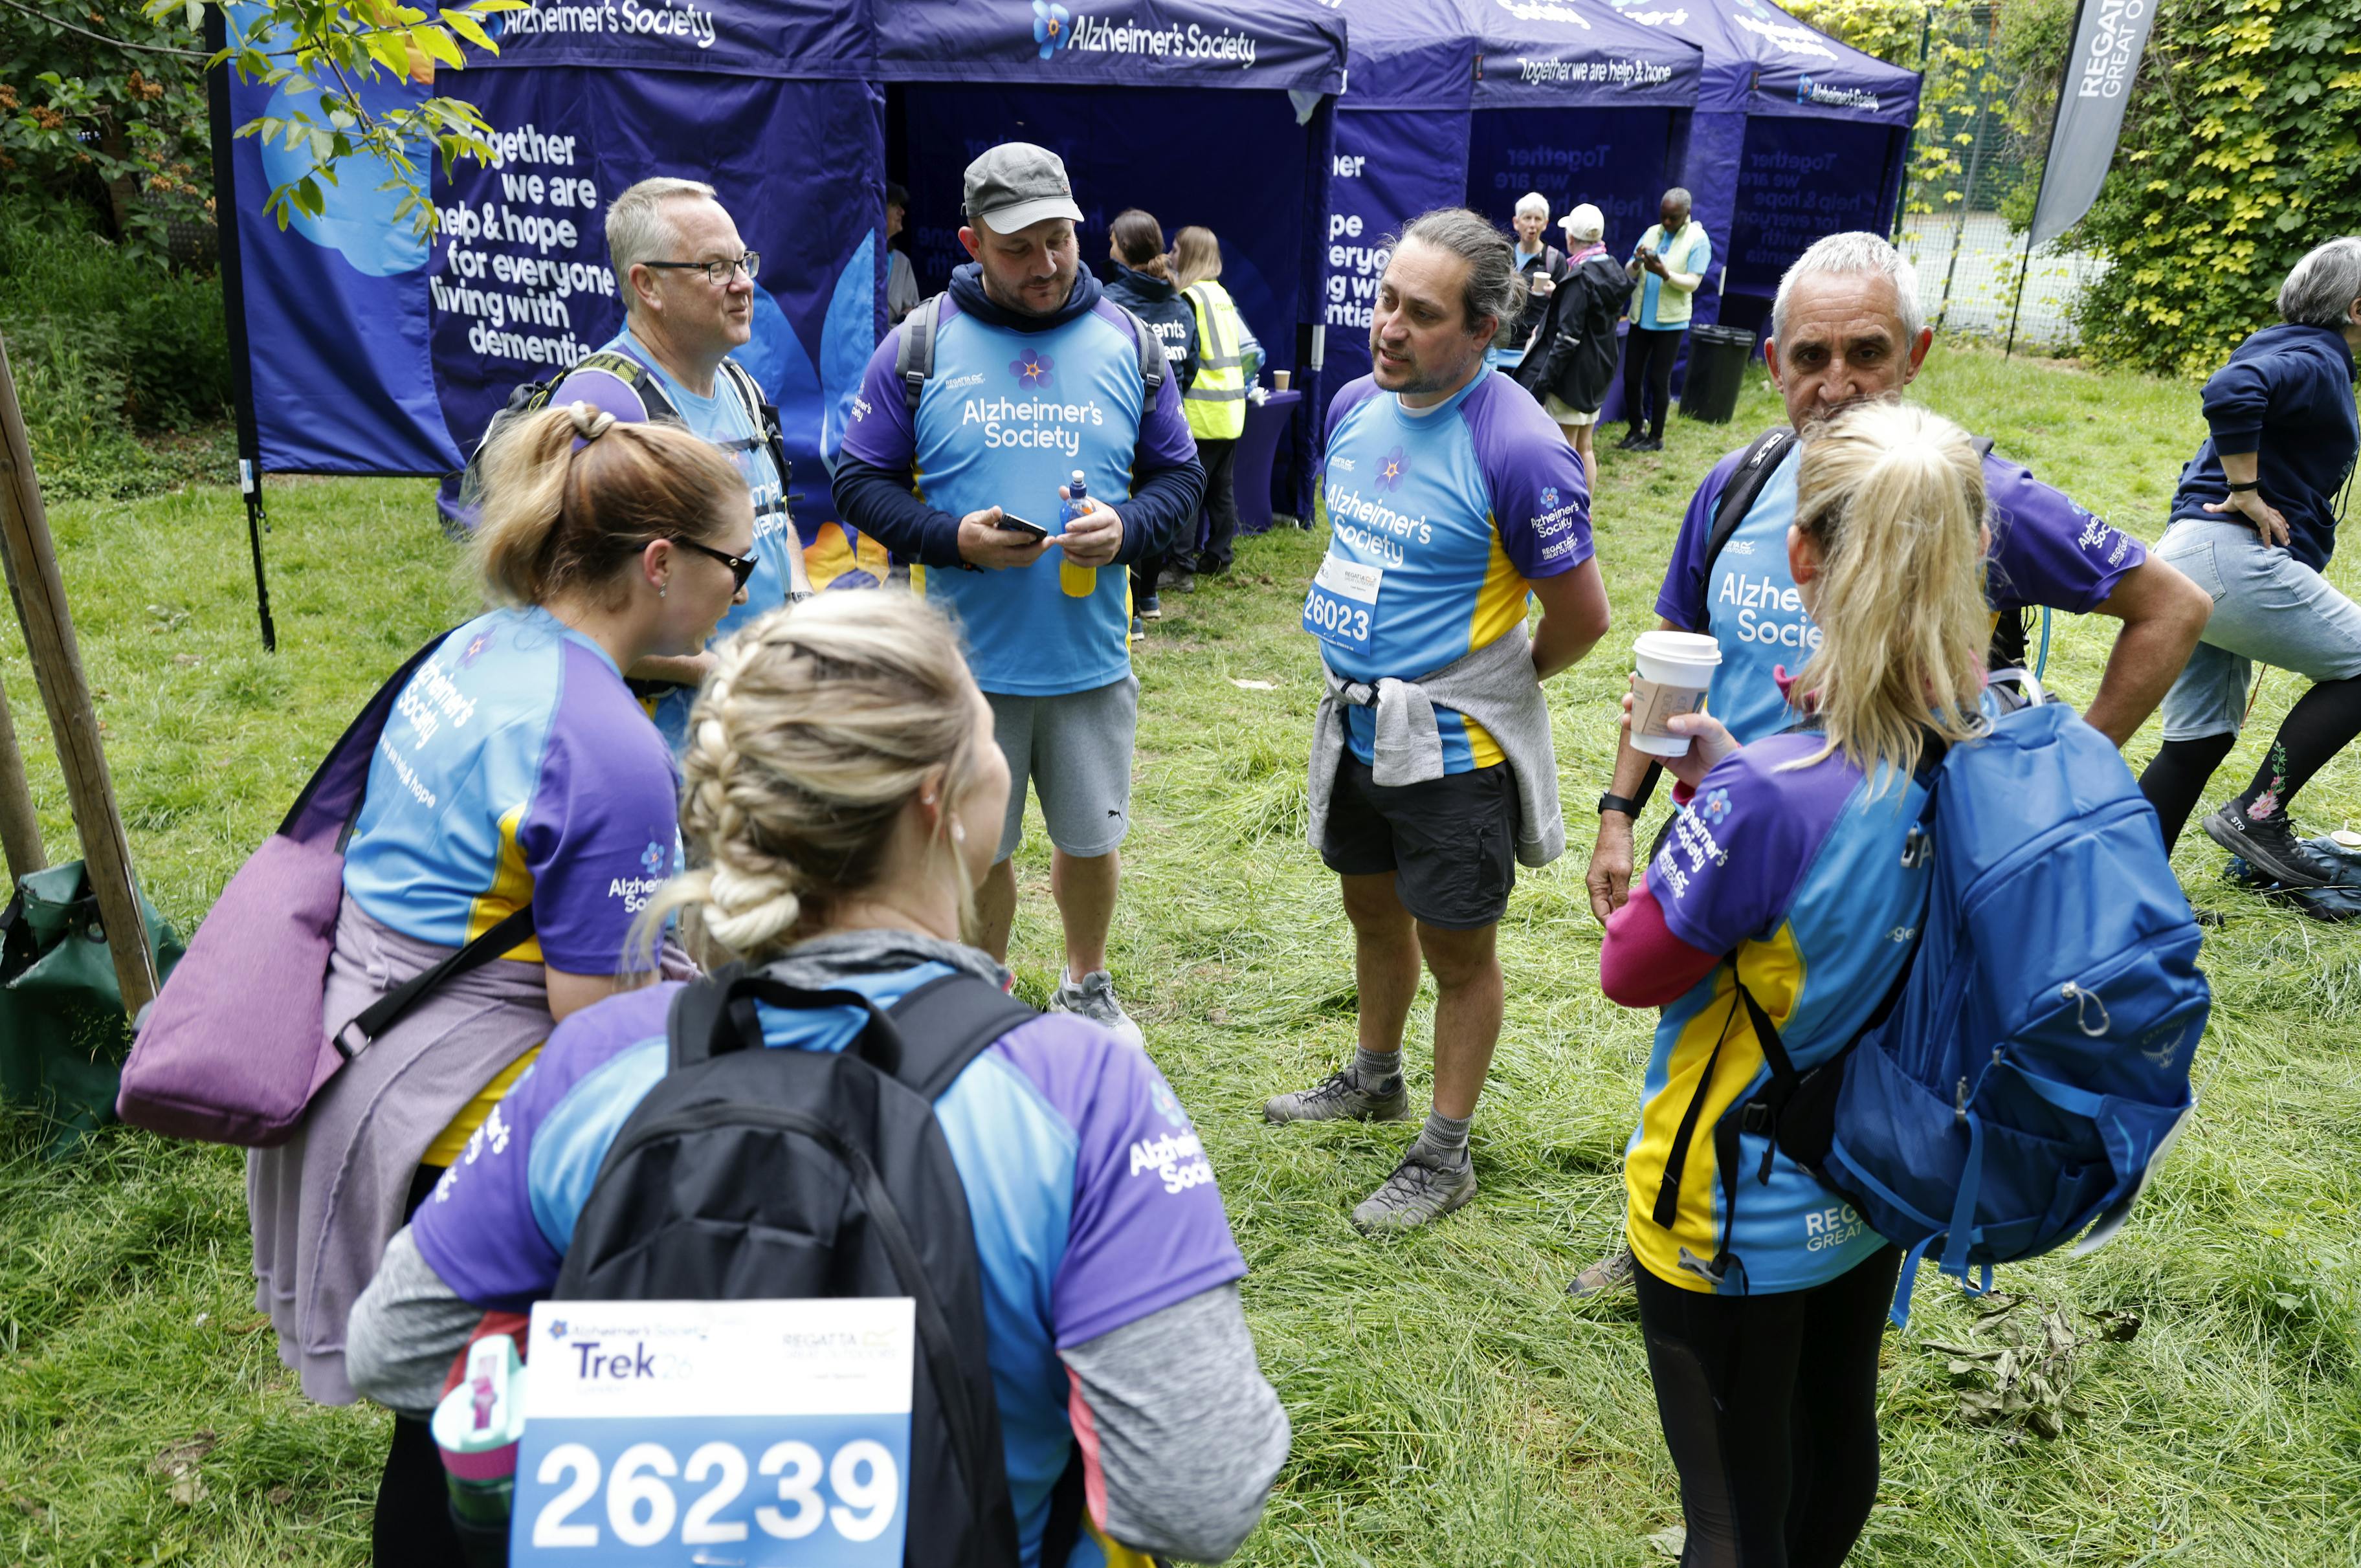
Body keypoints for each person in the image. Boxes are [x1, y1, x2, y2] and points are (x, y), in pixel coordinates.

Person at [344, 593, 1291, 1566]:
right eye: (988, 729)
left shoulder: (596, 1060)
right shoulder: (1084, 1095)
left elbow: (396, 1345)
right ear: (940, 796)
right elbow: (1198, 1495)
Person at [1572, 229, 2210, 1297]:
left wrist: (2040, 791)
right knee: (1709, 1052)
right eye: (1808, 357)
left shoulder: (1950, 490)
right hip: (1732, 835)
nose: (1836, 384)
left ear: (1914, 353)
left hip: (1882, 883)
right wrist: (1618, 808)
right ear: (1770, 363)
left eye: (1864, 352)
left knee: (1864, 1092)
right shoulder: (1734, 485)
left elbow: (2170, 605)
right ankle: (1695, 1224)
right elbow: (1672, 656)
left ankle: (1823, 1245)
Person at [249, 404, 753, 1565]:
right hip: (472, 1131)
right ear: (663, 563)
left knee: (435, 1429)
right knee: (494, 1455)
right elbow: (597, 1034)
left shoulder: (482, 645)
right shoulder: (614, 750)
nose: (745, 584)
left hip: (366, 1057)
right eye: (736, 562)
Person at [1599, 399, 1993, 1565]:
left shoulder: (1772, 791)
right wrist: (1732, 795)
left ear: (1802, 554)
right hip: (1872, 1173)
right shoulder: (1975, 740)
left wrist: (1708, 811)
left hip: (1731, 1200)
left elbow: (1633, 963)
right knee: (1832, 1432)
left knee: (1727, 1508)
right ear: (1971, 553)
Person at [1265, 208, 1612, 1233]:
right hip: (1357, 728)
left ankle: (1445, 1154)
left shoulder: (1522, 447)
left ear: (1487, 329)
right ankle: (1376, 1076)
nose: (1388, 328)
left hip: (1453, 753)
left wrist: (1485, 687)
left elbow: (1582, 619)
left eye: (1421, 313)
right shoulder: (1359, 404)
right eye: (1384, 301)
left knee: (1460, 957)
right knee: (1372, 913)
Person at [831, 142, 1204, 1050]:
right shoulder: (919, 341)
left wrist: (1129, 527)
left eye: (1058, 241)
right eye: (1017, 248)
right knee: (975, 847)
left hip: (1087, 657)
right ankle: (983, 994)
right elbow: (857, 477)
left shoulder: (1131, 339)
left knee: (1089, 837)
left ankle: (1086, 980)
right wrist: (948, 538)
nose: (1044, 265)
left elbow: (1181, 480)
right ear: (970, 242)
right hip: (962, 670)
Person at [551, 176, 811, 749]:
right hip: (657, 744)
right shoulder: (606, 405)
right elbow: (562, 608)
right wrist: (714, 670)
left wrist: (802, 612)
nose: (743, 284)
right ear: (648, 285)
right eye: (715, 268)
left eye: (744, 261)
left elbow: (772, 514)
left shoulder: (738, 383)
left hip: (758, 718)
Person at [2136, 236, 2361, 879]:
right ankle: (2260, 812)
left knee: (2198, 740)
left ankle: (2133, 902)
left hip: (2192, 559)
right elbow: (2231, 391)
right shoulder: (2315, 357)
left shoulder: (2293, 348)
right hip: (2227, 560)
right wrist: (2246, 493)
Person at [1102, 207, 1201, 621]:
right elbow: (1191, 365)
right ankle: (1148, 598)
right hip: (1168, 420)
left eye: (1111, 242)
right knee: (1156, 504)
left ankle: (1136, 609)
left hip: (1125, 420)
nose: (1108, 249)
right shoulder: (1179, 304)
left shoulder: (1111, 304)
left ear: (1124, 250)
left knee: (1126, 507)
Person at [1173, 224, 1265, 580]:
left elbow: (1185, 357)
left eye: (1177, 249)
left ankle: (1180, 566)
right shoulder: (1222, 296)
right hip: (1230, 411)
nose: (1172, 255)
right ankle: (1219, 556)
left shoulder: (1189, 299)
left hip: (1202, 413)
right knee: (1220, 492)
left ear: (1191, 254)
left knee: (1189, 492)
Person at [1516, 203, 1626, 480]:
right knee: (1585, 447)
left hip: (1572, 377)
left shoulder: (1579, 278)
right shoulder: (1612, 267)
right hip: (1599, 370)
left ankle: (1569, 510)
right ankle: (1584, 511)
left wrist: (1542, 385)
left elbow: (1566, 340)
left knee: (1566, 450)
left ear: (1571, 239)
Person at [1617, 188, 1711, 453]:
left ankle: (1656, 437)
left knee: (1659, 380)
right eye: (1664, 217)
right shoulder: (1651, 232)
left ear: (1687, 214)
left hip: (1670, 322)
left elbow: (1693, 283)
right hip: (1640, 317)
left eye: (1674, 218)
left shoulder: (1698, 239)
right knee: (1631, 376)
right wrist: (1636, 263)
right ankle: (1636, 429)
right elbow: (1629, 272)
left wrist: (1665, 273)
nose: (1667, 223)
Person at [1508, 190, 1569, 349]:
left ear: (1546, 224)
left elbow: (1566, 307)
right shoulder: (1504, 255)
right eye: (1527, 218)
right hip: (1502, 345)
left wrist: (1556, 293)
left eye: (1538, 219)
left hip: (1535, 347)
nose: (1532, 225)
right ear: (1516, 222)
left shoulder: (1555, 259)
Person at [886, 179, 922, 325]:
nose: (902, 212)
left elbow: (914, 312)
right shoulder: (856, 260)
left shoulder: (902, 262)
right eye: (894, 205)